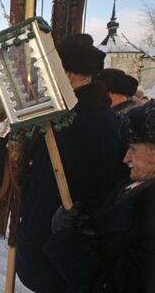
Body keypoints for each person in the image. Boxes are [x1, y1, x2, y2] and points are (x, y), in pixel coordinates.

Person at [16, 34, 126, 292]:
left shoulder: (81, 123)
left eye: (52, 72)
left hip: (54, 251)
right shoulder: (88, 117)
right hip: (52, 248)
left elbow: (61, 189)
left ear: (67, 76)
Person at [44, 99, 155, 292]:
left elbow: (110, 285)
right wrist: (79, 227)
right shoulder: (132, 185)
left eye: (134, 149)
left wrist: (66, 239)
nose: (126, 158)